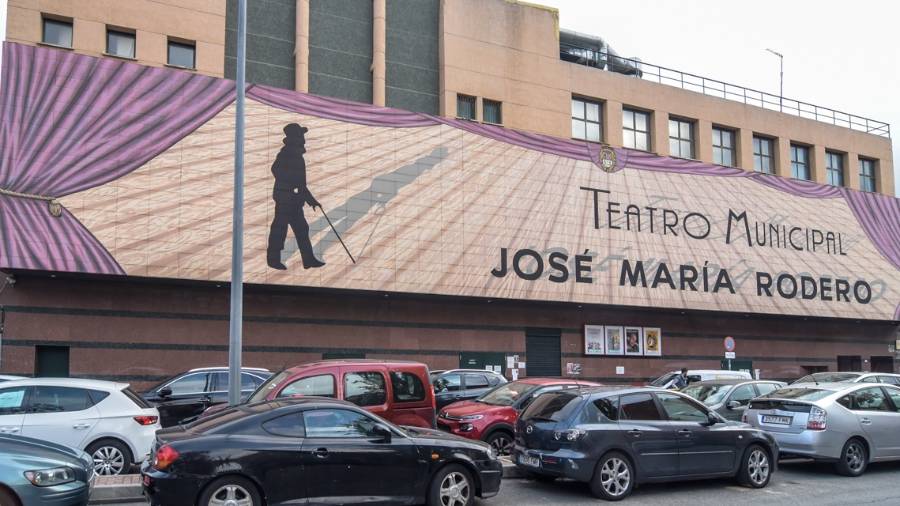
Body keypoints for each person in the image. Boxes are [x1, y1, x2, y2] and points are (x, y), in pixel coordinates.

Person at [266, 123, 326, 270]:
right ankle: (273, 260)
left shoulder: (297, 155)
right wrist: (289, 183)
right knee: (280, 229)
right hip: (285, 198)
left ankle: (308, 259)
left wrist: (312, 201)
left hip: (294, 200)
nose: (303, 139)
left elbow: (302, 184)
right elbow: (275, 170)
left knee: (302, 229)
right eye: (300, 135)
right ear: (294, 137)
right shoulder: (286, 153)